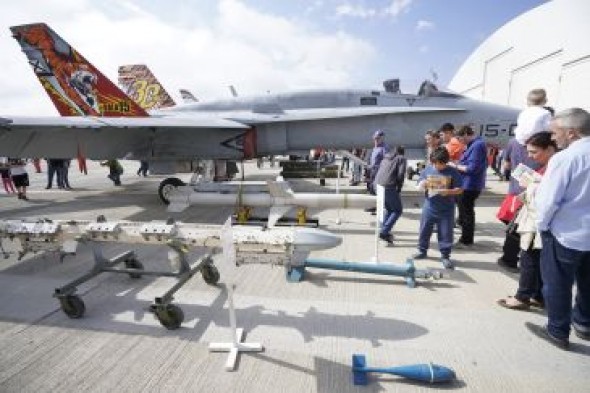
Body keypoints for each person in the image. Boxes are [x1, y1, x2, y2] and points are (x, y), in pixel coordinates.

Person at [525, 108, 590, 350]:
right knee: (587, 282)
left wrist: (542, 226)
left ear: (571, 133)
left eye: (555, 132)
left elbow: (549, 200)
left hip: (566, 235)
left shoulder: (565, 159)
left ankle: (557, 331)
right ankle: (584, 324)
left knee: (557, 283)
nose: (553, 138)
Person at [497, 132, 557, 310]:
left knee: (528, 258)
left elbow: (549, 196)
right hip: (541, 221)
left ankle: (522, 296)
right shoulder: (549, 165)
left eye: (534, 152)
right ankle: (537, 295)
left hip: (539, 222)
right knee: (537, 260)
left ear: (550, 149)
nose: (529, 156)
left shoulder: (555, 167)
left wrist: (531, 186)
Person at [413, 147, 463, 269]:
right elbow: (418, 185)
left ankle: (445, 256)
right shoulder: (428, 169)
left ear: (446, 162)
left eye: (440, 164)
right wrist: (422, 184)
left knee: (446, 233)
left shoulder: (453, 172)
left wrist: (448, 191)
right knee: (424, 229)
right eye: (435, 163)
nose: (437, 166)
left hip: (446, 209)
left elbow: (460, 189)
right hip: (429, 206)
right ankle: (422, 250)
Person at [449, 125, 488, 247]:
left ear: (466, 134)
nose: (460, 142)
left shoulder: (477, 146)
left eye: (461, 139)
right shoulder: (474, 144)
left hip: (470, 185)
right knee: (465, 212)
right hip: (467, 183)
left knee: (466, 213)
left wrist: (455, 166)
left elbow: (472, 168)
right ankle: (466, 238)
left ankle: (466, 240)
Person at [374, 145, 407, 244]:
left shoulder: (386, 157)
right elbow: (401, 174)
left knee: (389, 209)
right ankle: (384, 232)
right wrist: (399, 188)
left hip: (377, 185)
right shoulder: (401, 158)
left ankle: (384, 230)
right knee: (397, 210)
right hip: (388, 186)